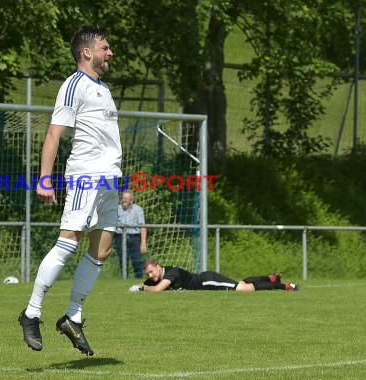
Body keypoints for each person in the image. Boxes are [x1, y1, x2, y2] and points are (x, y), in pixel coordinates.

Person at [18, 25, 120, 357]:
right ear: (87, 52)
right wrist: (44, 178)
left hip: (108, 179)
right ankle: (32, 312)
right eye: (105, 47)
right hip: (85, 177)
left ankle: (72, 317)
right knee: (68, 241)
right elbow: (53, 134)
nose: (110, 53)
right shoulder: (73, 85)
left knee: (102, 248)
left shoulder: (102, 88)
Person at [129, 258, 300, 292]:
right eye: (148, 274)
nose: (150, 275)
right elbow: (149, 284)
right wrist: (141, 286)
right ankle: (271, 278)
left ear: (159, 267)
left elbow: (157, 289)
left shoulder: (171, 274)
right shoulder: (158, 276)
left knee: (243, 289)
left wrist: (142, 289)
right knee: (239, 283)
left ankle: (283, 285)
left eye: (152, 271)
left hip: (208, 281)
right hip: (206, 279)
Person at [115, 190, 147, 278]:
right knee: (123, 261)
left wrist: (143, 242)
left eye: (126, 198)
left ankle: (139, 280)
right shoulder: (116, 209)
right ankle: (124, 280)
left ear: (131, 200)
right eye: (123, 198)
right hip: (120, 237)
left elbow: (143, 226)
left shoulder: (138, 210)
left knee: (137, 261)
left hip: (134, 238)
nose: (124, 200)